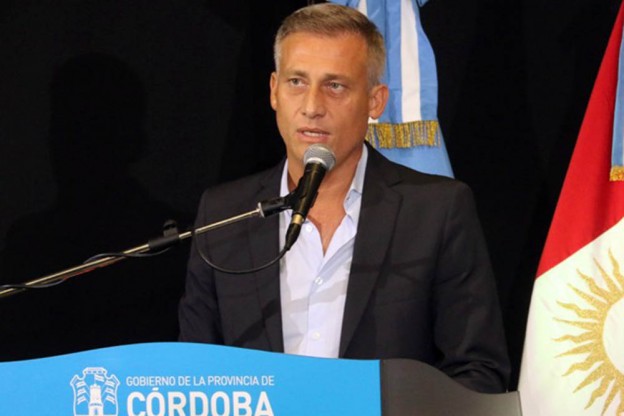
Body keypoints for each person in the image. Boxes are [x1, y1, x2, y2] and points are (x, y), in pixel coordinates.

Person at [178, 3, 510, 393]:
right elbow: (192, 377)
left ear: (375, 101)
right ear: (273, 91)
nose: (312, 107)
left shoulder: (435, 211)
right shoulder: (224, 216)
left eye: (335, 86)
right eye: (297, 82)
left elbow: (479, 372)